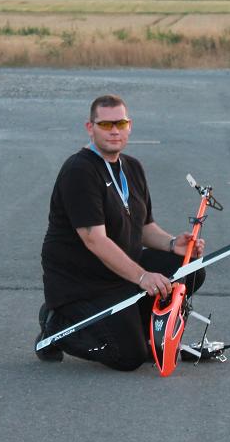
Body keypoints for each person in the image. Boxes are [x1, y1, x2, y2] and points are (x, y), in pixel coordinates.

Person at [37, 94, 206, 371]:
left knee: (191, 268)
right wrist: (142, 277)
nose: (114, 130)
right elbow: (94, 239)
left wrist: (173, 243)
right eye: (105, 125)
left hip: (119, 274)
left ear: (130, 126)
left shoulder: (133, 168)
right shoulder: (79, 171)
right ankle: (56, 323)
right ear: (90, 128)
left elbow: (143, 227)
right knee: (127, 357)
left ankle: (144, 330)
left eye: (121, 123)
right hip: (83, 283)